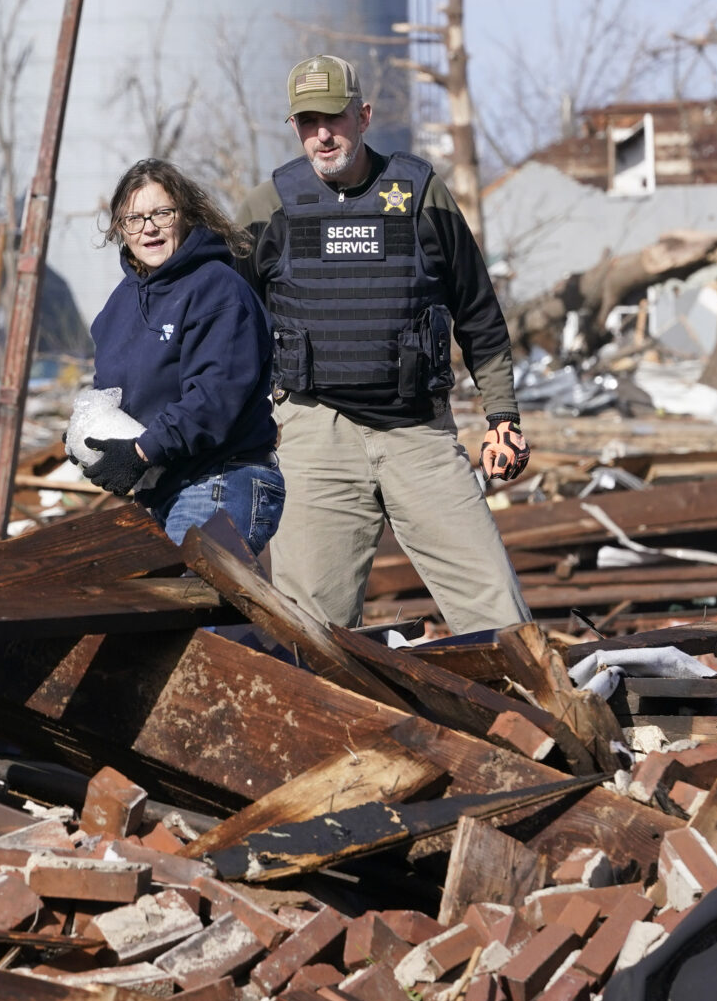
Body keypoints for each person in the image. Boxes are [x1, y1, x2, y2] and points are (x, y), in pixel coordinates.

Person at [237, 53, 531, 634]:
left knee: (496, 609)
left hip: (417, 431)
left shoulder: (421, 194)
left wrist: (503, 417)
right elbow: (225, 319)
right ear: (294, 126)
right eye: (308, 121)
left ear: (364, 115)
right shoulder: (269, 206)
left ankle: (527, 697)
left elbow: (478, 312)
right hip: (315, 435)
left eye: (335, 118)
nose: (323, 135)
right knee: (309, 633)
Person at [82, 158, 285, 550]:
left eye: (162, 213)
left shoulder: (218, 289)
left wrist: (141, 451)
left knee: (188, 589)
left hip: (220, 480)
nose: (149, 228)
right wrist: (88, 432)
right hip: (160, 486)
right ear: (121, 229)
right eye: (134, 219)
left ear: (187, 216)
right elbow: (109, 390)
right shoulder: (121, 303)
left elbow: (213, 398)